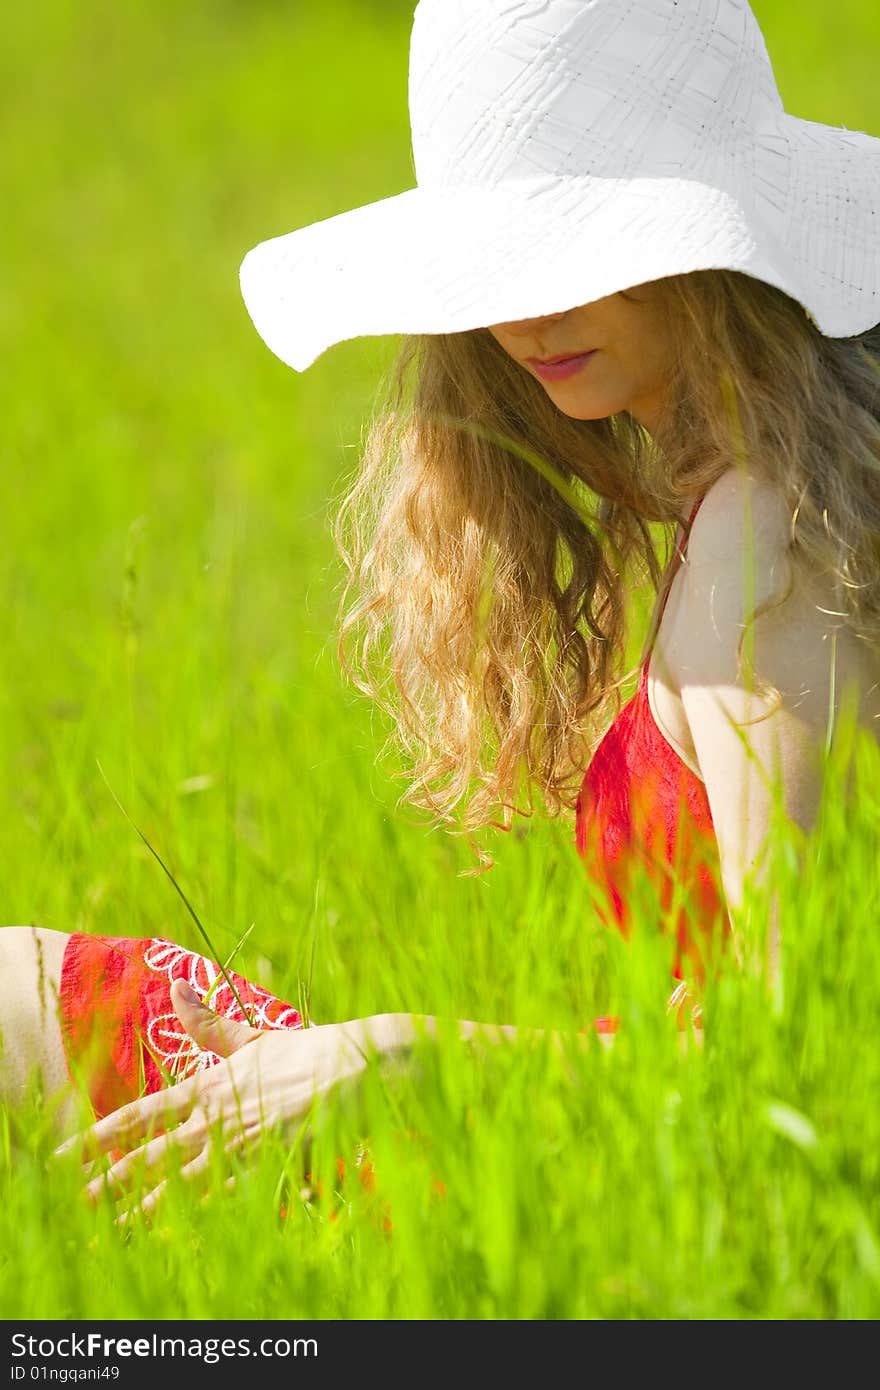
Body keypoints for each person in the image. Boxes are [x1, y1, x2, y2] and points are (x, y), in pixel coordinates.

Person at [2, 0, 879, 1208]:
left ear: (712, 239)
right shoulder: (746, 503)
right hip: (596, 1150)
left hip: (609, 1185)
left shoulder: (764, 538)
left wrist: (404, 1054)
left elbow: (807, 1055)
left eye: (577, 248)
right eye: (498, 266)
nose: (519, 316)